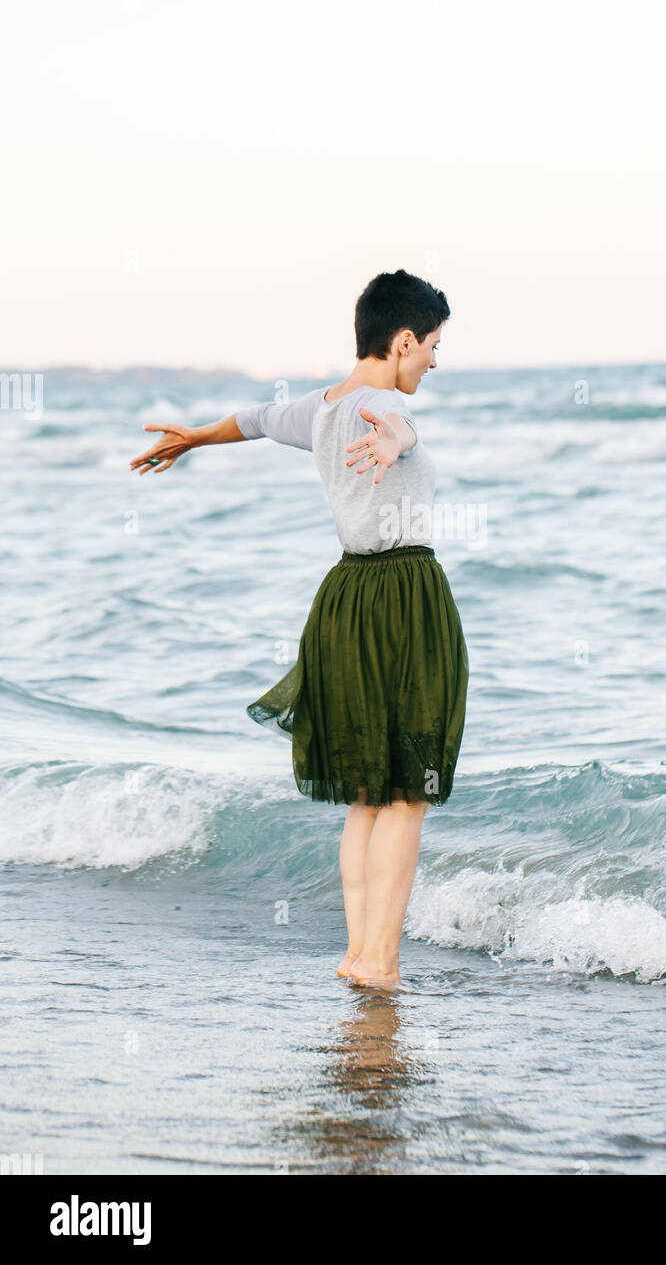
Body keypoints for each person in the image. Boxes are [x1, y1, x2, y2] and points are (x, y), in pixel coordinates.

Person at [130, 269, 469, 990]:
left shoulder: (319, 408)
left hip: (344, 598)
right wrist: (394, 441)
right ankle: (382, 962)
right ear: (403, 340)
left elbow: (252, 420)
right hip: (404, 595)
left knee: (367, 793)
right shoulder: (382, 406)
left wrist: (193, 439)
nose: (434, 362)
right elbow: (400, 428)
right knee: (409, 790)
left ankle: (359, 954)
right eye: (433, 347)